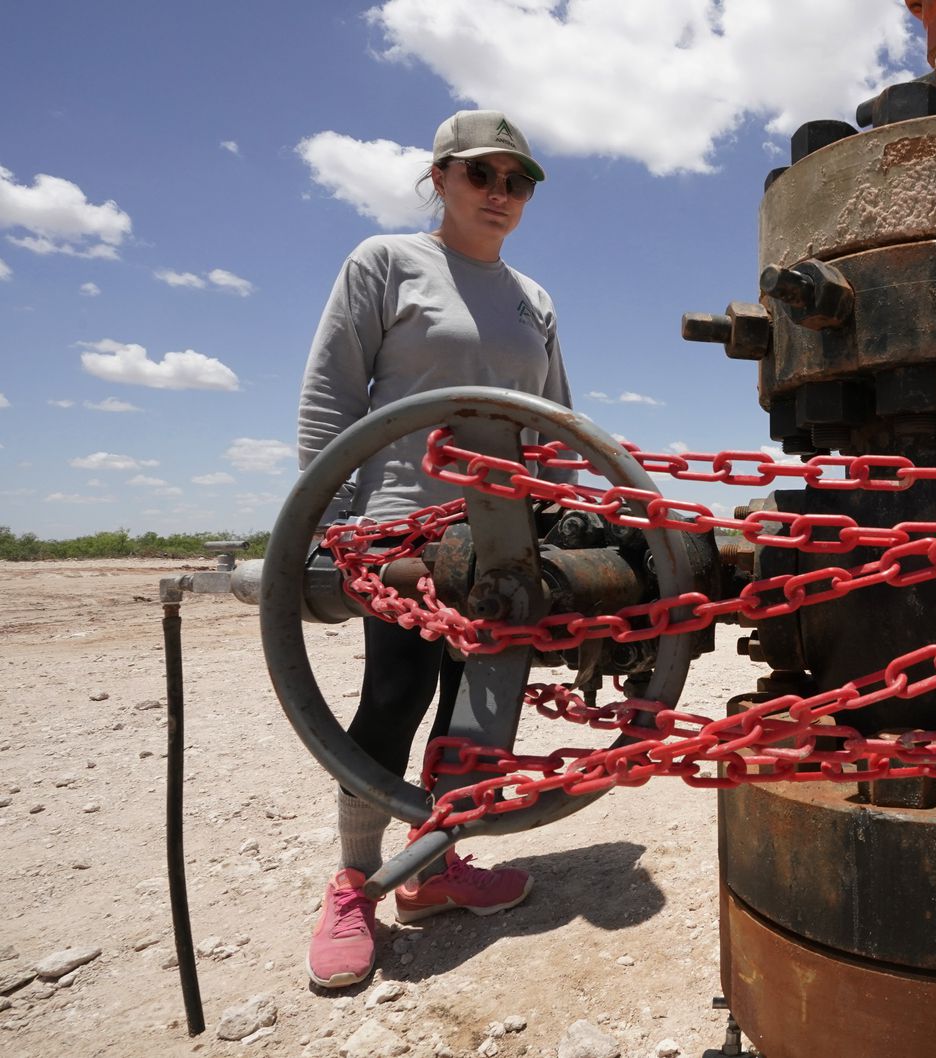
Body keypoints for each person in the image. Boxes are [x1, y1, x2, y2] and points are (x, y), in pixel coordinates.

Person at [295, 110, 569, 989]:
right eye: (481, 175)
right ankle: (351, 886)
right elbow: (330, 404)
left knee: (480, 708)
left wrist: (571, 517)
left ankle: (436, 866)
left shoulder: (536, 300)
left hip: (505, 535)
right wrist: (326, 526)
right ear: (440, 178)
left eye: (516, 181)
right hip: (401, 530)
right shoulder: (385, 264)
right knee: (397, 694)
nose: (500, 194)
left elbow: (555, 427)